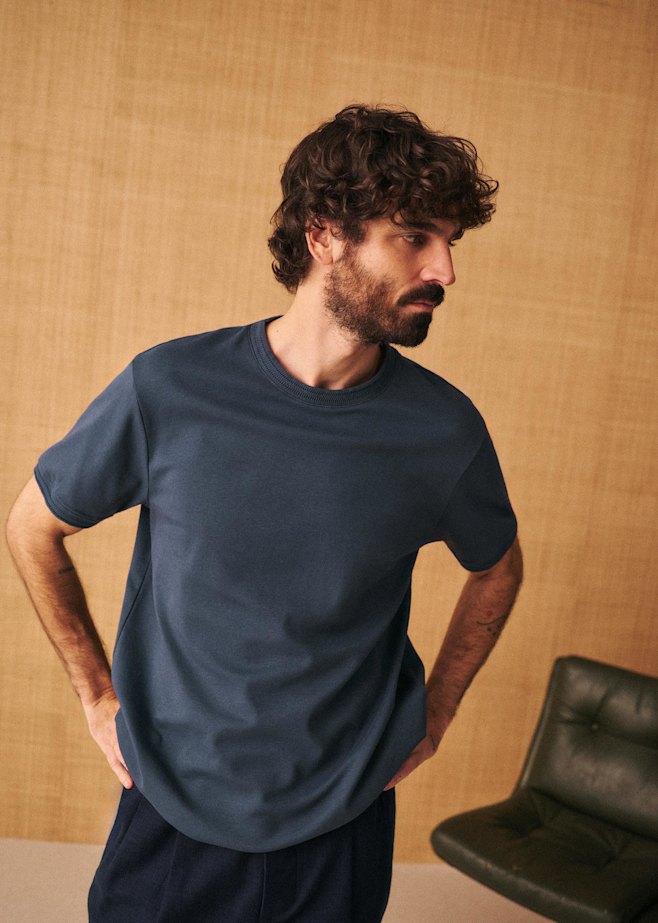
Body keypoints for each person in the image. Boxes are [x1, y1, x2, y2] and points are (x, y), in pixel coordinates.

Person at [6, 103, 523, 923]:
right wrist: (95, 692)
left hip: (342, 814)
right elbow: (33, 526)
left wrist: (439, 708)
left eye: (451, 242)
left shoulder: (444, 431)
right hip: (172, 801)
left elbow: (497, 566)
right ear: (325, 235)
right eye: (415, 235)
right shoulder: (169, 388)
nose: (446, 270)